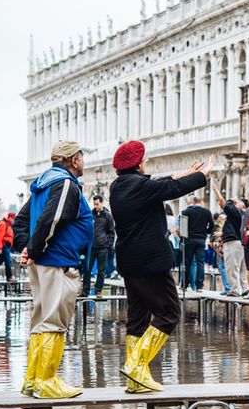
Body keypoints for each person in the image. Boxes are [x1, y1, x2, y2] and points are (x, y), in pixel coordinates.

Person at [110, 141, 211, 392]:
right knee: (169, 312)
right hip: (150, 262)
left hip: (130, 261)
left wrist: (187, 172)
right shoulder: (139, 186)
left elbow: (161, 183)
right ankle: (136, 364)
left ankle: (135, 381)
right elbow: (171, 188)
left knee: (137, 319)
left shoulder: (120, 186)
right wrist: (200, 177)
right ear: (138, 163)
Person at [11, 141, 93, 398]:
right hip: (58, 261)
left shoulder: (43, 183)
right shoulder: (65, 183)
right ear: (73, 159)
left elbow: (23, 219)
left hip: (45, 260)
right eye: (81, 156)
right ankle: (47, 380)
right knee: (54, 320)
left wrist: (28, 249)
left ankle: (33, 379)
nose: (83, 161)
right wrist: (33, 251)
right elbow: (52, 219)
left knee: (41, 318)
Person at [214, 184, 248, 297]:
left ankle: (235, 290)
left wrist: (229, 200)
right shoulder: (240, 214)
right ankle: (244, 289)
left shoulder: (235, 211)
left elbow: (225, 204)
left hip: (232, 243)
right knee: (242, 268)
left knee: (231, 267)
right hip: (238, 242)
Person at [83, 194, 115, 299]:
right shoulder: (90, 215)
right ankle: (85, 290)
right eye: (94, 204)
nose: (95, 206)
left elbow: (111, 231)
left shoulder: (107, 216)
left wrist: (108, 244)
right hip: (91, 247)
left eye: (97, 204)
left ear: (102, 203)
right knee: (87, 269)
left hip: (103, 247)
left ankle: (98, 291)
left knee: (101, 271)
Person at [181, 195, 213, 292]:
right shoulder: (206, 212)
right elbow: (212, 224)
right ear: (201, 201)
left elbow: (183, 227)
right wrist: (206, 232)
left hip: (189, 239)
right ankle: (199, 286)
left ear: (193, 201)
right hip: (201, 239)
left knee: (187, 262)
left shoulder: (186, 211)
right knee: (200, 262)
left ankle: (185, 284)